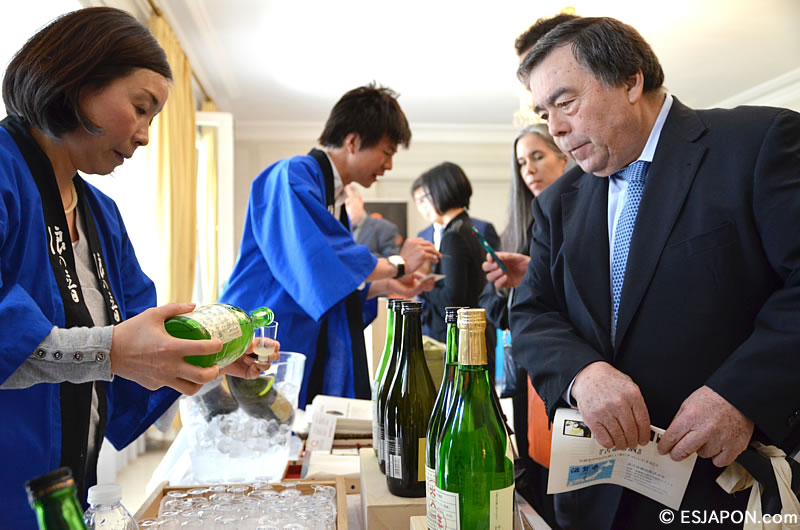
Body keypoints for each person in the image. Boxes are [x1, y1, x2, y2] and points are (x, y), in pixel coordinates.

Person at [509, 15, 800, 529]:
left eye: (565, 102)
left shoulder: (758, 143)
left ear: (629, 81)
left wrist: (741, 394)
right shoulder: (558, 202)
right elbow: (532, 311)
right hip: (593, 495)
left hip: (720, 488)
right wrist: (583, 373)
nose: (554, 128)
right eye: (543, 112)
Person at [0, 8, 262, 527]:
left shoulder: (102, 215)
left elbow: (142, 336)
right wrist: (112, 350)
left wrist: (205, 351)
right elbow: (107, 348)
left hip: (69, 484)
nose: (144, 136)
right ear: (75, 81)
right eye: (140, 108)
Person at [219, 84, 439, 406]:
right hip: (264, 334)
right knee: (266, 428)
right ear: (353, 142)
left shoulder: (331, 199)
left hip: (296, 336)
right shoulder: (291, 175)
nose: (389, 165)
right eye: (387, 152)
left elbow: (331, 282)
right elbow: (320, 261)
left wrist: (388, 285)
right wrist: (398, 264)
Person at [479, 123, 567, 527]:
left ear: (563, 156)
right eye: (521, 162)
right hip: (525, 372)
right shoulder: (520, 228)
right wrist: (506, 291)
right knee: (534, 474)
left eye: (537, 156)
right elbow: (494, 309)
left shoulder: (581, 217)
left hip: (566, 369)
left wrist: (534, 278)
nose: (528, 169)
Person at [412, 162, 490, 348]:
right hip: (471, 336)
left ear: (440, 192)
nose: (425, 204)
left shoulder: (454, 236)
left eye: (427, 195)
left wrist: (421, 286)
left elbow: (452, 299)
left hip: (460, 342)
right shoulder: (468, 228)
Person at [344, 183, 401, 258]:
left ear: (360, 200)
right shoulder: (336, 230)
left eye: (347, 204)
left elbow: (392, 260)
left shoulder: (385, 228)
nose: (343, 211)